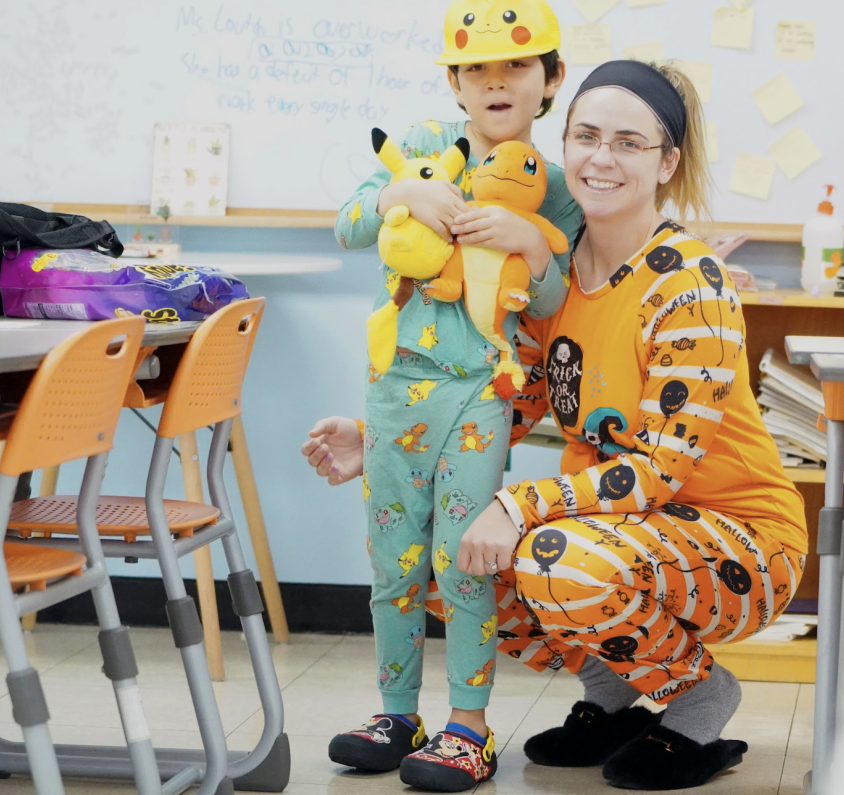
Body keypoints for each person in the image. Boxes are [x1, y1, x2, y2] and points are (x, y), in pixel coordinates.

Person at [305, 59, 808, 791]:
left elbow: (659, 472)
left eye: (630, 143)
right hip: (619, 533)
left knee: (548, 553)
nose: (601, 157)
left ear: (667, 161)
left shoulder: (687, 285)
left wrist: (516, 505)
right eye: (586, 136)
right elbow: (513, 401)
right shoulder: (553, 278)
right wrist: (384, 438)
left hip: (740, 541)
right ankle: (612, 697)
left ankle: (699, 695)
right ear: (561, 142)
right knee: (449, 551)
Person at [320, 1, 582, 790]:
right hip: (393, 389)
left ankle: (469, 727)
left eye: (516, 67)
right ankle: (397, 711)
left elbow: (551, 301)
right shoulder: (423, 149)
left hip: (477, 396)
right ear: (455, 83)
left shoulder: (552, 185)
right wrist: (403, 194)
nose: (496, 82)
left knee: (460, 562)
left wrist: (531, 245)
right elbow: (348, 224)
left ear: (550, 81)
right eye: (477, 69)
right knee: (392, 563)